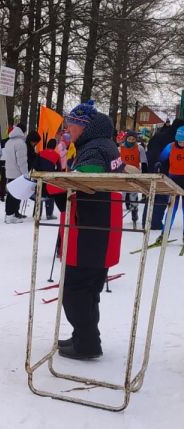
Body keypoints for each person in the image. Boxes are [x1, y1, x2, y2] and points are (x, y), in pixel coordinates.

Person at [54, 100, 124, 361]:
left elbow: (83, 184)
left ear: (83, 126)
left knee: (75, 290)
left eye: (70, 124)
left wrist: (52, 183)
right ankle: (84, 336)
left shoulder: (94, 149)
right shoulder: (105, 145)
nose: (67, 129)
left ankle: (87, 344)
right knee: (88, 288)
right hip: (101, 227)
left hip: (90, 228)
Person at [119, 130, 145, 227]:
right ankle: (118, 214)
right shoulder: (120, 148)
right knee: (121, 195)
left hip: (134, 173)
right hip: (122, 174)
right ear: (126, 138)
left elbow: (144, 162)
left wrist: (144, 174)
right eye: (129, 139)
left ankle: (134, 213)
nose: (131, 141)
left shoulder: (140, 148)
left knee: (133, 196)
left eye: (133, 139)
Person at [4, 123, 28, 222]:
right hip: (17, 173)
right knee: (15, 194)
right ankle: (11, 215)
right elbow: (22, 161)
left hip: (9, 171)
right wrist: (25, 173)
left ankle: (12, 213)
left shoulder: (8, 142)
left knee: (11, 194)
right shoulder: (20, 143)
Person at [33, 135, 61, 220]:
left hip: (40, 177)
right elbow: (59, 168)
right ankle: (49, 214)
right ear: (55, 146)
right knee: (50, 195)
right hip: (50, 178)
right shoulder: (57, 155)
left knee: (39, 195)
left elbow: (35, 165)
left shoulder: (40, 153)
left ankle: (37, 214)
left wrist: (40, 171)